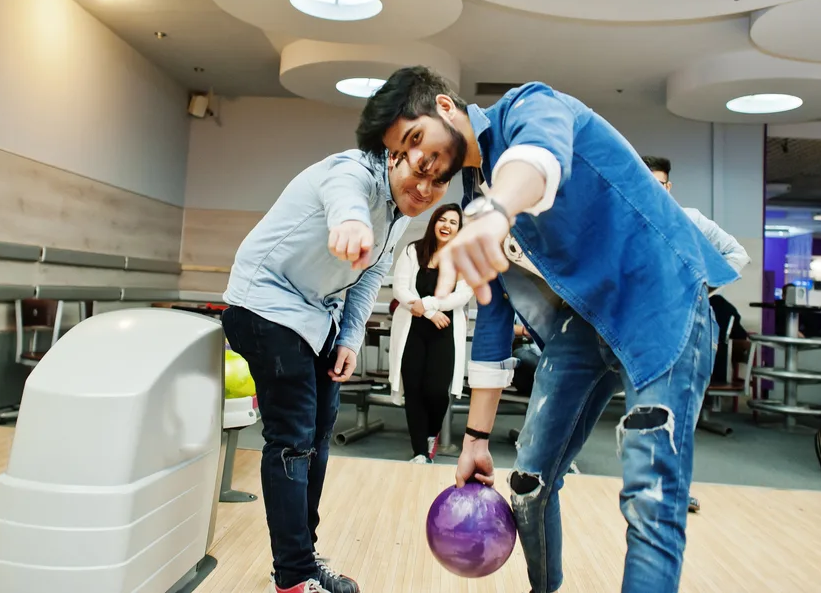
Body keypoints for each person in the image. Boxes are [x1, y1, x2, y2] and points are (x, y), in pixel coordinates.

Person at [355, 66, 740, 593]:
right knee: (528, 485)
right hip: (584, 328)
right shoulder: (473, 199)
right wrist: (475, 439)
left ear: (446, 107)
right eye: (402, 154)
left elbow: (538, 157)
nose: (417, 161)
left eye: (415, 138)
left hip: (662, 299)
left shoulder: (529, 106)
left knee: (651, 498)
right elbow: (492, 317)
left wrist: (497, 212)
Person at [221, 147, 448, 593]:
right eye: (420, 172)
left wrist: (348, 338)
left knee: (319, 435)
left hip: (315, 314)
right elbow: (344, 196)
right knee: (292, 439)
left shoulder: (399, 214)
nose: (425, 189)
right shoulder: (353, 170)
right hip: (264, 304)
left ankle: (300, 556)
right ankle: (292, 576)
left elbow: (369, 276)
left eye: (439, 181)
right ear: (395, 153)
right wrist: (351, 221)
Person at [642, 154, 751, 514]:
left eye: (659, 184)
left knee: (683, 414)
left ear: (668, 187)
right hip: (653, 331)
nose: (653, 191)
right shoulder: (634, 222)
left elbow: (738, 254)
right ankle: (653, 487)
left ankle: (676, 491)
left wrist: (703, 286)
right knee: (653, 413)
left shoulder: (691, 220)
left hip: (695, 328)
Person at [388, 202, 474, 463]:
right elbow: (400, 289)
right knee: (413, 390)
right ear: (433, 222)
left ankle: (431, 433)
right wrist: (427, 312)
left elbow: (463, 294)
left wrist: (429, 304)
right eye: (442, 220)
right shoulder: (413, 251)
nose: (446, 226)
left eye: (453, 222)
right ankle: (420, 452)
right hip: (412, 329)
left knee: (437, 391)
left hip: (444, 332)